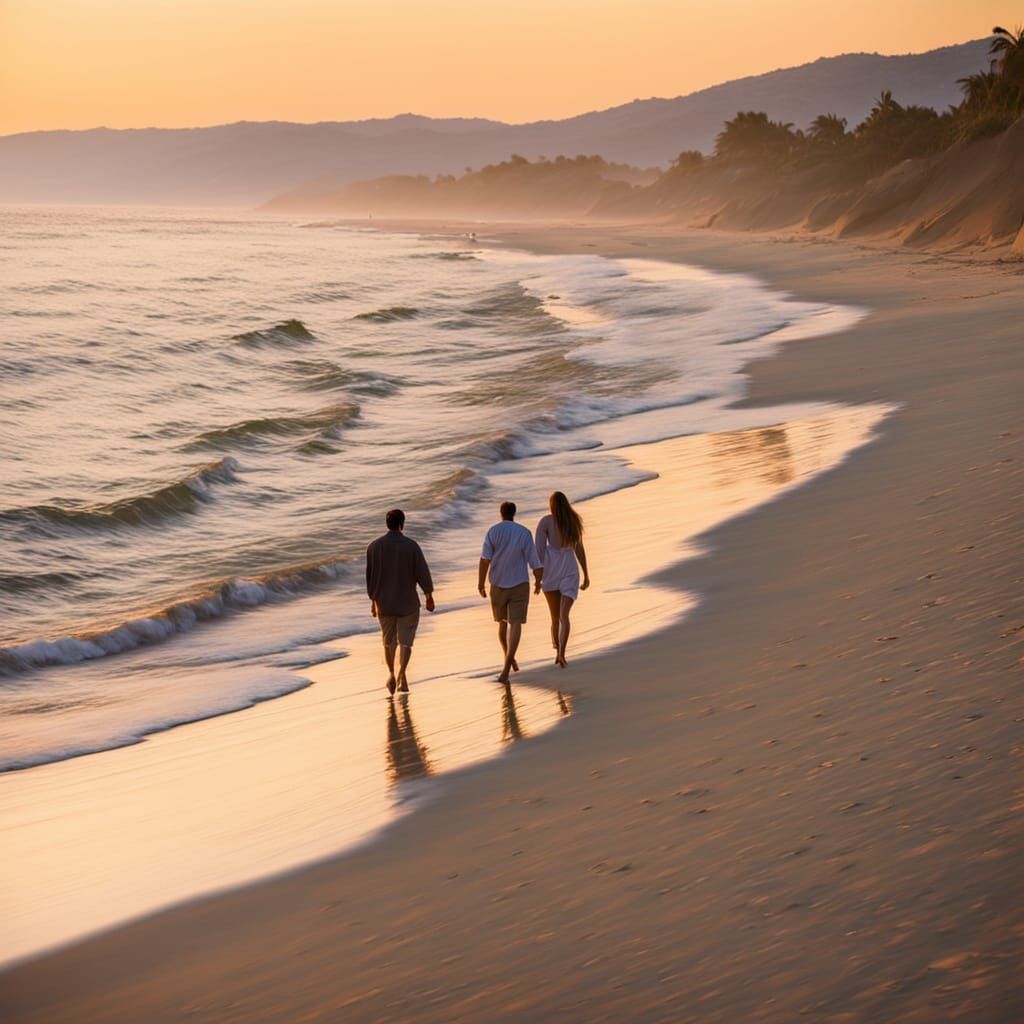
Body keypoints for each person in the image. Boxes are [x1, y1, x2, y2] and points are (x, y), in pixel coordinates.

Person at [366, 508, 435, 695]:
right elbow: (422, 572)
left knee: (388, 641)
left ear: (387, 524)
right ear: (402, 524)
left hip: (384, 603)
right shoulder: (411, 546)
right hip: (408, 603)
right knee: (405, 642)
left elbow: (371, 578)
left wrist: (373, 601)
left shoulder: (373, 547)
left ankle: (391, 674)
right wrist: (428, 595)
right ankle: (402, 675)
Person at [478, 501, 543, 683]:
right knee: (515, 624)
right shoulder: (524, 532)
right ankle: (508, 664)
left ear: (501, 513)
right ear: (514, 513)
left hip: (497, 584)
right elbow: (535, 561)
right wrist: (538, 581)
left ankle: (507, 659)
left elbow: (485, 560)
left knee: (502, 623)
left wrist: (481, 583)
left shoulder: (493, 532)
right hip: (520, 583)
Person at [535, 491, 590, 668]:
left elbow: (539, 552)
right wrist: (586, 574)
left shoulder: (545, 522)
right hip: (570, 571)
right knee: (563, 616)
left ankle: (558, 651)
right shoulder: (573, 521)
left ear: (551, 505)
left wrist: (538, 578)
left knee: (555, 618)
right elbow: (579, 548)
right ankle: (561, 653)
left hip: (551, 571)